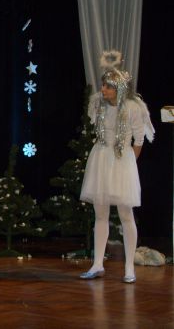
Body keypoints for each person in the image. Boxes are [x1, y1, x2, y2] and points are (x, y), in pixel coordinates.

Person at [79, 50, 154, 284]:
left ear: (119, 89)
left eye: (108, 87)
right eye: (103, 86)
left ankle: (129, 267)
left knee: (125, 214)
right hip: (101, 158)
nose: (103, 90)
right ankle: (97, 263)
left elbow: (139, 139)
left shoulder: (132, 107)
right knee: (100, 213)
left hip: (122, 160)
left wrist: (128, 163)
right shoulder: (99, 105)